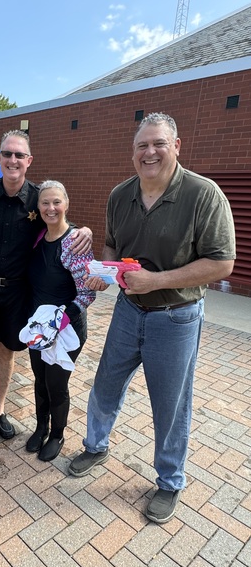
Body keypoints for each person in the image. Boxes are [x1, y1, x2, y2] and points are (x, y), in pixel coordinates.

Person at [68, 113, 235, 524]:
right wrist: (105, 272)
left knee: (170, 404)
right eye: (142, 145)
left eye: (158, 143)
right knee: (106, 383)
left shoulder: (204, 194)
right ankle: (95, 444)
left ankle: (169, 480)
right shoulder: (120, 194)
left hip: (175, 318)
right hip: (128, 310)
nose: (150, 152)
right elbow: (111, 244)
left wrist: (156, 279)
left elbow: (222, 263)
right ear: (134, 152)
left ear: (176, 146)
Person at [0, 129, 93, 445]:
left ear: (29, 160)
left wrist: (82, 229)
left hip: (20, 293)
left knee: (8, 353)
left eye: (19, 154)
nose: (13, 160)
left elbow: (57, 219)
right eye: (7, 153)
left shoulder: (37, 197)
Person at [21, 180, 96, 461]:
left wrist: (59, 322)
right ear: (38, 207)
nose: (51, 208)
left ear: (66, 204)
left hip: (66, 331)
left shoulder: (75, 242)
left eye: (56, 202)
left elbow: (86, 294)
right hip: (38, 329)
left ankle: (57, 434)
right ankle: (41, 427)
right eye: (45, 203)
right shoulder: (39, 236)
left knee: (56, 383)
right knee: (39, 379)